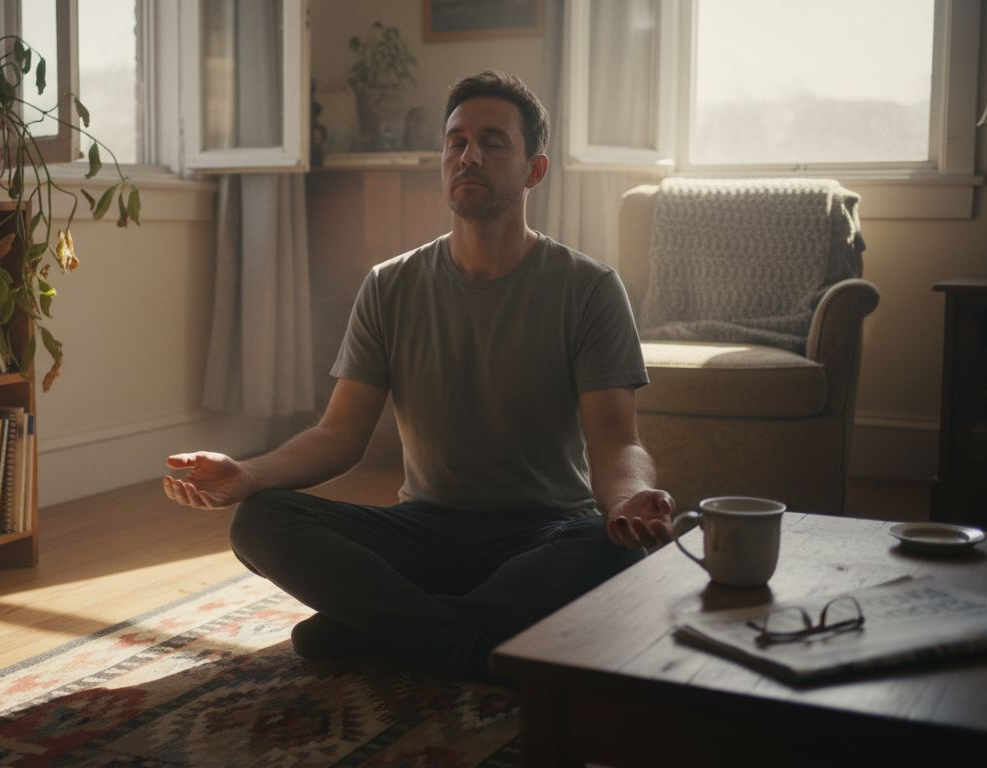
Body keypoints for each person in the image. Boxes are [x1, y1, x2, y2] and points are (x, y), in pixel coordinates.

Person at [163, 71, 674, 681]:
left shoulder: (589, 288)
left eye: (492, 142)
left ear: (534, 170)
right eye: (457, 142)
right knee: (260, 520)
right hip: (423, 532)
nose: (469, 156)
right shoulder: (390, 284)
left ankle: (389, 628)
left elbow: (616, 441)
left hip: (542, 534)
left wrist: (628, 501)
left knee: (607, 550)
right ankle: (468, 645)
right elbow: (338, 435)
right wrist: (247, 474)